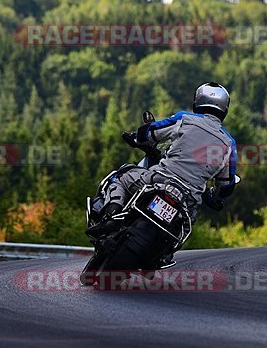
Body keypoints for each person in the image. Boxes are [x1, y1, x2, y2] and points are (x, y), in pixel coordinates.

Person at [90, 82, 237, 235]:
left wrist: (137, 137)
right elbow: (226, 185)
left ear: (198, 101)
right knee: (181, 231)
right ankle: (163, 257)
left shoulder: (184, 119)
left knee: (121, 177)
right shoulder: (229, 144)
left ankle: (111, 215)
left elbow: (151, 131)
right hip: (189, 199)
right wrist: (214, 196)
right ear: (224, 109)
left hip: (159, 179)